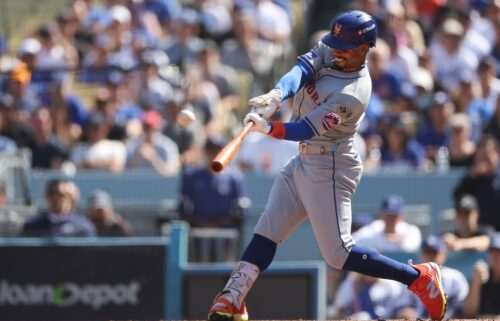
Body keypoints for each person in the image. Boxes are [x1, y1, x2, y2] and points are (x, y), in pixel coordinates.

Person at [207, 11, 447, 321]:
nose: (335, 50)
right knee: (268, 229)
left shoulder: (353, 94)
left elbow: (306, 129)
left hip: (331, 165)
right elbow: (301, 70)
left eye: (344, 47)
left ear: (364, 49)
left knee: (339, 253)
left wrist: (268, 130)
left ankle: (418, 278)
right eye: (335, 44)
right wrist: (277, 95)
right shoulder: (333, 48)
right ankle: (232, 298)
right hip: (305, 159)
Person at [397, 236, 470, 319]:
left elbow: (464, 308)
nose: (430, 257)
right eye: (427, 253)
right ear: (421, 255)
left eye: (434, 253)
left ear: (443, 256)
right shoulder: (412, 277)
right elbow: (402, 307)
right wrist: (406, 312)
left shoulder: (456, 278)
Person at [454, 134, 500, 231]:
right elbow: (457, 196)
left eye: (487, 156)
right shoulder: (472, 179)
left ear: (497, 154)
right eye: (481, 156)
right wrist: (471, 177)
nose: (484, 161)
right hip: (480, 232)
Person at [21, 179, 95, 237]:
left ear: (70, 198)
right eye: (52, 193)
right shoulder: (33, 226)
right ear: (46, 196)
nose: (56, 198)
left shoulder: (82, 227)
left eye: (61, 195)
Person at [352, 194, 422, 253]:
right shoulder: (375, 227)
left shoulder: (410, 230)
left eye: (394, 215)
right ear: (381, 215)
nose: (390, 219)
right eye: (387, 215)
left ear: (401, 216)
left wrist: (391, 240)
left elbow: (412, 247)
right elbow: (355, 241)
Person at [462, 233, 500, 317]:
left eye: (498, 252)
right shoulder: (483, 276)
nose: (495, 256)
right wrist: (476, 283)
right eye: (492, 252)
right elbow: (469, 311)